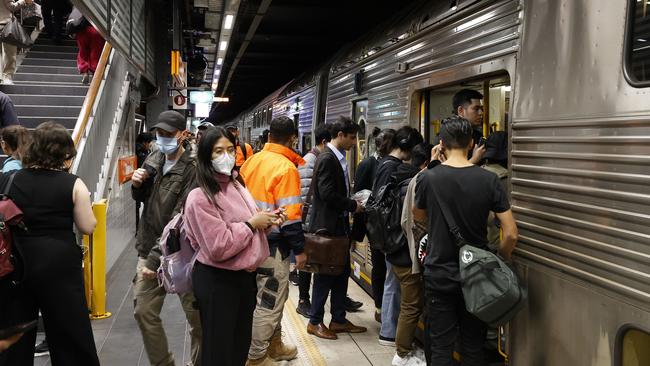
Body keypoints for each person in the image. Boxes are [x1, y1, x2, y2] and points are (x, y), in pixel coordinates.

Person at [414, 115, 518, 366]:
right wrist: (500, 258)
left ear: (441, 143)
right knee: (474, 345)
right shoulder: (489, 180)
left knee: (441, 345)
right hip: (477, 276)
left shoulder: (428, 178)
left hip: (439, 273)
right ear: (471, 143)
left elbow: (419, 218)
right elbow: (511, 233)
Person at [0, 122, 99, 365]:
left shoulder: (9, 180)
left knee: (15, 330)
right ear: (64, 154)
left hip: (17, 262)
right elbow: (87, 226)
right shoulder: (73, 183)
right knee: (69, 331)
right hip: (59, 263)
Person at [184, 126, 278, 366]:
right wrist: (250, 224)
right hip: (217, 281)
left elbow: (251, 221)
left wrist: (267, 220)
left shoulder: (237, 184)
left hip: (243, 278)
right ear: (206, 156)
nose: (226, 156)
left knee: (239, 345)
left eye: (230, 149)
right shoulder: (199, 196)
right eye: (218, 151)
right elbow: (218, 246)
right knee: (219, 351)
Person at [131, 110, 202, 366]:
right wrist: (137, 185)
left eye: (168, 135)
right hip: (150, 246)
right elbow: (143, 201)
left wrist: (153, 261)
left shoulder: (193, 168)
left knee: (198, 321)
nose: (162, 139)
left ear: (183, 135)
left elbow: (179, 219)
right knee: (143, 311)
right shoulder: (154, 156)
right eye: (159, 134)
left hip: (181, 254)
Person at [240, 116, 307, 366]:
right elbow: (290, 217)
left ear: (268, 137)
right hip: (274, 246)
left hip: (250, 242)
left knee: (267, 298)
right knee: (269, 301)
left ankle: (275, 346)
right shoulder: (286, 168)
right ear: (292, 139)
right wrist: (300, 250)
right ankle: (256, 357)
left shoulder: (251, 161)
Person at [306, 116, 367, 340]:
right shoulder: (327, 159)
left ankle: (339, 319)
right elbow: (327, 194)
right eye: (352, 138)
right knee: (325, 275)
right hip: (328, 229)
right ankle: (314, 321)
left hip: (338, 227)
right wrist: (353, 205)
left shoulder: (336, 157)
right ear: (340, 135)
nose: (354, 142)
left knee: (341, 273)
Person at [372, 127, 423, 349]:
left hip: (387, 234)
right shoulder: (393, 168)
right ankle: (389, 332)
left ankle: (388, 329)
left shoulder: (384, 164)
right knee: (393, 282)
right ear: (406, 148)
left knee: (392, 281)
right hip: (394, 235)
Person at [387, 142, 431, 366]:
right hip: (407, 255)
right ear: (426, 163)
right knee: (411, 305)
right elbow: (413, 223)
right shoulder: (417, 183)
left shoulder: (399, 177)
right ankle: (402, 353)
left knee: (408, 302)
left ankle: (405, 347)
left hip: (395, 251)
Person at [351, 126, 385, 323]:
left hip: (386, 225)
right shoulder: (367, 164)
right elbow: (359, 196)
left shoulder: (391, 164)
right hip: (373, 225)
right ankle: (379, 307)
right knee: (379, 265)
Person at [0, 0, 34, 85]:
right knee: (10, 54)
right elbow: (12, 6)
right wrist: (23, 1)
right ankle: (7, 77)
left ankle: (2, 77)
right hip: (5, 25)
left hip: (4, 24)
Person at [452, 89, 485, 165]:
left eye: (481, 109)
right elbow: (446, 173)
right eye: (476, 109)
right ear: (461, 110)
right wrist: (474, 160)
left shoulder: (478, 136)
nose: (481, 113)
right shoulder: (447, 136)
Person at [75, 19, 105, 85]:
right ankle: (96, 73)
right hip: (96, 30)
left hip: (82, 32)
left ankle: (84, 71)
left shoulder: (80, 10)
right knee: (95, 53)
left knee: (82, 53)